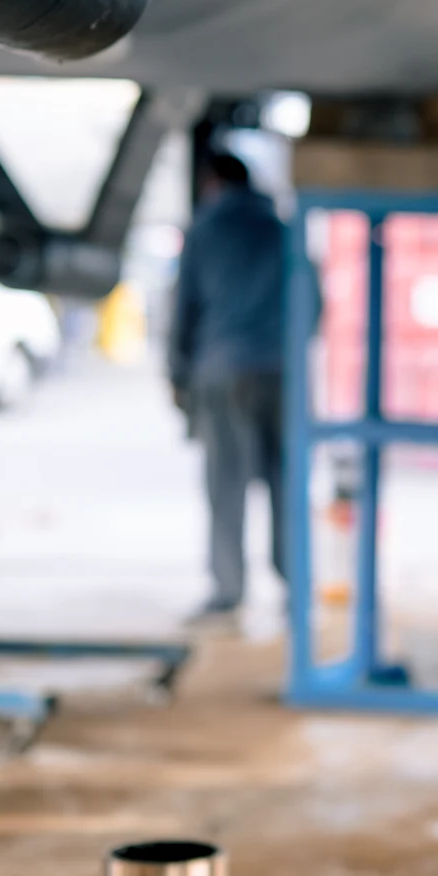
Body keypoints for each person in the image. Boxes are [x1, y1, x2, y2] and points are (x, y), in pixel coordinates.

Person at [170, 149, 295, 620]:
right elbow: (315, 303)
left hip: (221, 371)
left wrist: (178, 376)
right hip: (281, 371)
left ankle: (228, 592)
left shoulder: (205, 230)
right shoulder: (281, 228)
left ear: (213, 183)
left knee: (226, 484)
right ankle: (294, 584)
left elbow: (183, 309)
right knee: (286, 480)